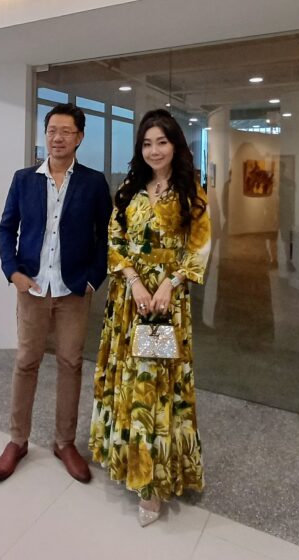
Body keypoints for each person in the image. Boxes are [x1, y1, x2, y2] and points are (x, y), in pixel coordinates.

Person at [88, 108, 211, 526]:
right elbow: (114, 238)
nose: (154, 150)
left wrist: (169, 284)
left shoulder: (191, 192)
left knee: (156, 386)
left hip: (165, 307)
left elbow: (199, 249)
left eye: (162, 141)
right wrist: (135, 282)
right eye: (147, 143)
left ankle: (153, 483)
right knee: (130, 381)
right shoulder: (130, 189)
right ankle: (128, 462)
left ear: (175, 145)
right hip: (130, 303)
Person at [0, 103, 113, 484]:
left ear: (79, 137)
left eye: (66, 131)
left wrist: (93, 279)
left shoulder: (93, 183)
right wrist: (13, 272)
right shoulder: (24, 179)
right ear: (45, 135)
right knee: (26, 361)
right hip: (32, 287)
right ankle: (17, 440)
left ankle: (65, 442)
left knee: (70, 363)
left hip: (73, 289)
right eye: (52, 131)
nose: (57, 138)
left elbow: (106, 236)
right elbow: (6, 228)